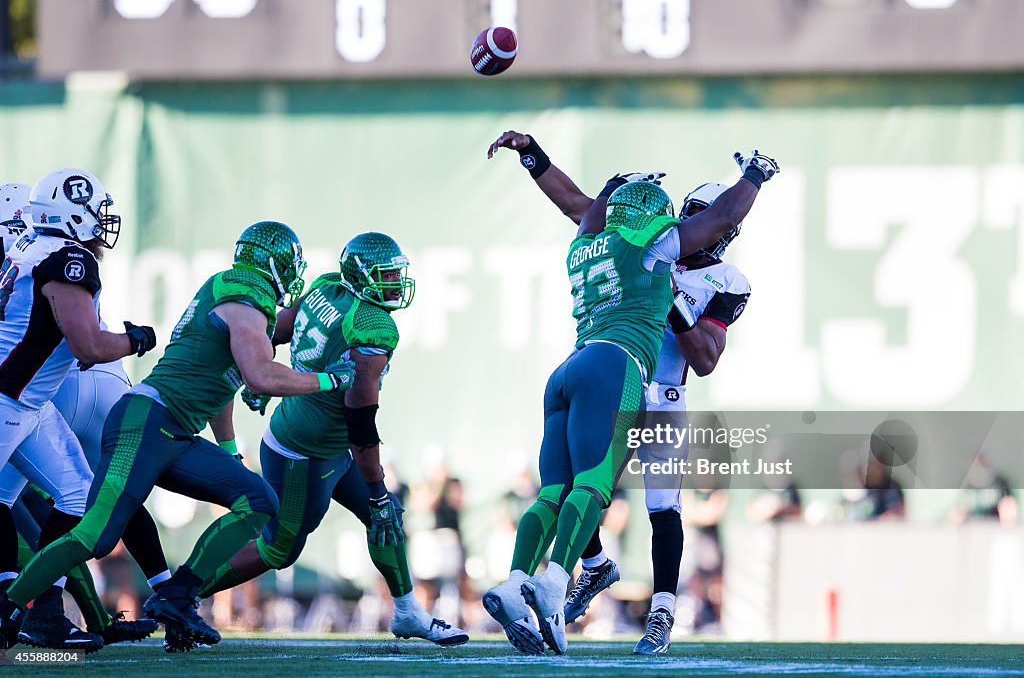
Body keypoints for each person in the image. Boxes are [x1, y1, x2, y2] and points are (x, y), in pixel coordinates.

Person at [481, 130, 779, 654]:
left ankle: (660, 614)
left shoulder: (726, 279)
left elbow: (705, 359)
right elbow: (582, 206)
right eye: (686, 214)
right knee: (584, 482)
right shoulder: (652, 243)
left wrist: (672, 302)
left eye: (695, 217)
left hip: (660, 393)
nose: (689, 224)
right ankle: (590, 567)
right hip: (619, 372)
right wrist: (537, 159)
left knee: (659, 504)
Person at [0, 220, 357, 650]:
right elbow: (259, 376)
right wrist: (331, 380)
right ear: (276, 264)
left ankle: (177, 596)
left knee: (258, 500)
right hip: (146, 422)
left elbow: (225, 387)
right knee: (94, 536)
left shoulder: (237, 295)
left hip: (173, 430)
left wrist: (228, 450)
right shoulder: (247, 298)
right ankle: (10, 609)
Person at [185, 232, 468, 650]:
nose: (394, 284)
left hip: (324, 442)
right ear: (362, 275)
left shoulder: (326, 287)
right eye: (386, 275)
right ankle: (181, 595)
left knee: (385, 519)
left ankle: (408, 610)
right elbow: (360, 422)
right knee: (279, 549)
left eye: (396, 275)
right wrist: (375, 488)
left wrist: (263, 370)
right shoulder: (371, 326)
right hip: (305, 451)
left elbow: (276, 329)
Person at [0, 171, 159, 652]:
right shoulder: (67, 258)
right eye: (95, 214)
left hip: (29, 402)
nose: (101, 227)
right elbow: (87, 343)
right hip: (8, 398)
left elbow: (71, 343)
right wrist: (135, 339)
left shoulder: (25, 248)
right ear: (71, 212)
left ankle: (39, 612)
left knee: (77, 496)